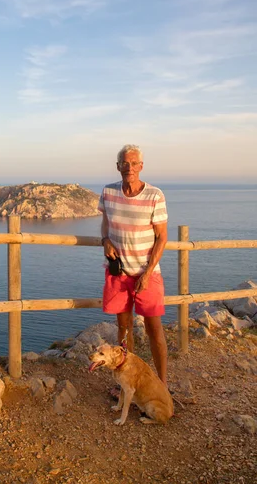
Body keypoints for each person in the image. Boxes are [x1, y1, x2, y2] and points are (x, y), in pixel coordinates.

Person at [99, 144, 169, 386]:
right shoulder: (108, 192)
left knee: (154, 330)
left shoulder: (155, 195)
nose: (129, 168)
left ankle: (162, 384)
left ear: (141, 166)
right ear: (118, 167)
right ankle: (126, 383)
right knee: (123, 328)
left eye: (134, 163)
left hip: (146, 274)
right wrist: (105, 240)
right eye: (124, 163)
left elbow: (162, 237)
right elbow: (105, 224)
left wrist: (148, 273)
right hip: (118, 274)